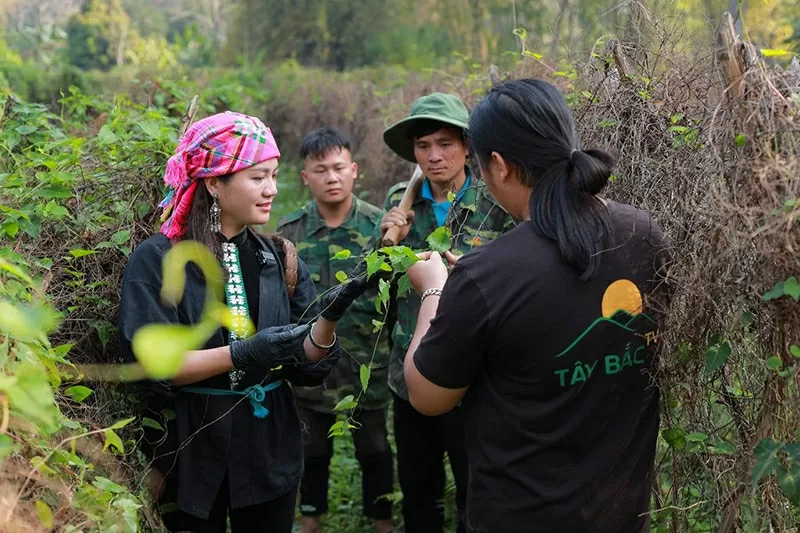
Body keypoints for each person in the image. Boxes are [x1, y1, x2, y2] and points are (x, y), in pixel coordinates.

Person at [402, 79, 672, 533]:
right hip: (623, 514)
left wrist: (436, 290)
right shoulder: (643, 234)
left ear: (499, 166)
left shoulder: (487, 275)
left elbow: (427, 397)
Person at [119, 112, 368, 533]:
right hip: (189, 448)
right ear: (214, 183)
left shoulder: (278, 257)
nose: (271, 189)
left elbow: (304, 366)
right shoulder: (159, 258)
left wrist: (326, 321)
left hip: (269, 444)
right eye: (257, 178)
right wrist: (240, 353)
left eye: (273, 176)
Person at [377, 92, 516, 533]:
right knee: (419, 493)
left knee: (478, 492)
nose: (434, 156)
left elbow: (516, 282)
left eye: (445, 143)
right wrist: (388, 246)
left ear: (467, 146)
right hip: (410, 370)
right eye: (423, 146)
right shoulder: (402, 200)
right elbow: (381, 286)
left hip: (477, 377)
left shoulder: (495, 203)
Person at [277, 127, 393, 533]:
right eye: (320, 169)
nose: (331, 177)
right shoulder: (287, 235)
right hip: (310, 373)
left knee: (376, 449)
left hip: (367, 366)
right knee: (311, 451)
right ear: (305, 177)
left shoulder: (382, 230)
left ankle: (383, 521)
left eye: (339, 168)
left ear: (354, 170)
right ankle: (311, 519)